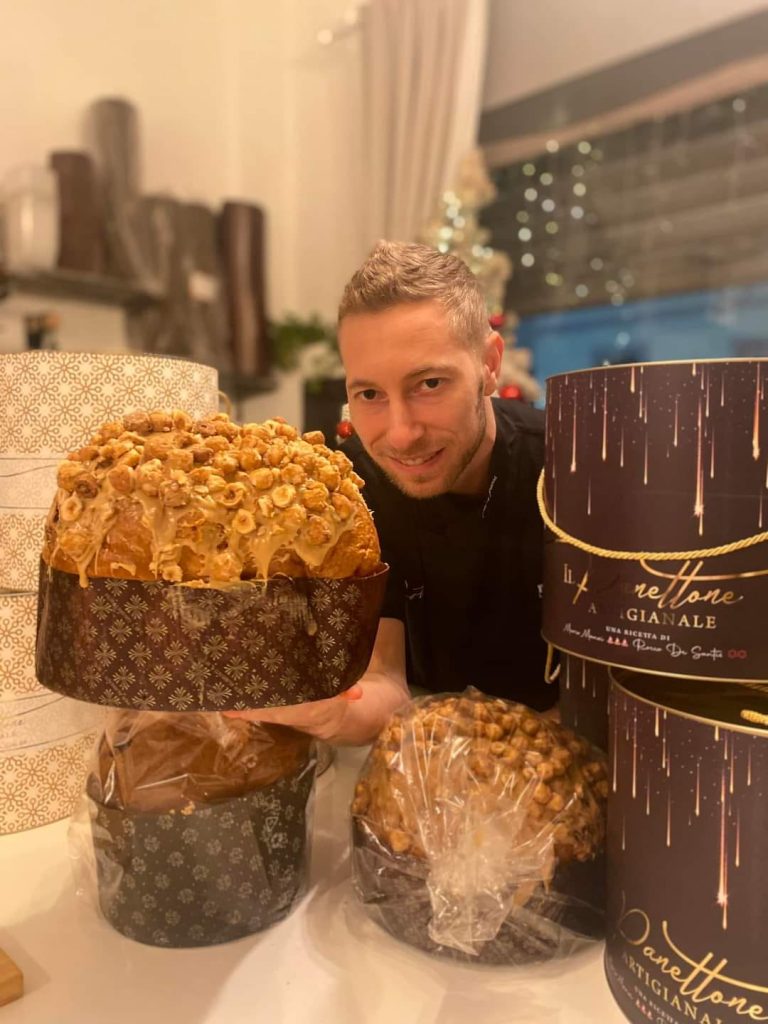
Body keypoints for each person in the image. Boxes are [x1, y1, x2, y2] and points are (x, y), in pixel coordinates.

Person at [226, 241, 552, 744]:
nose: (400, 436)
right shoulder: (352, 489)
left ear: (489, 364)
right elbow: (384, 684)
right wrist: (330, 713)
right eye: (370, 394)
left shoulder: (567, 467)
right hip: (420, 757)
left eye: (430, 384)